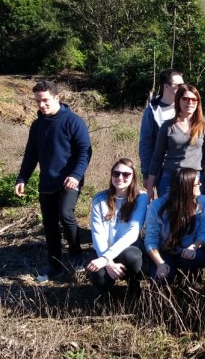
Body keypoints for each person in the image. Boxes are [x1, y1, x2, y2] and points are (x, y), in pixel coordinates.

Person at [15, 80, 92, 283]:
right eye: (38, 101)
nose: (41, 105)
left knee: (66, 215)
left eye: (45, 100)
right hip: (47, 181)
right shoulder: (37, 125)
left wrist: (75, 175)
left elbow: (85, 151)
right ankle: (55, 264)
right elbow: (30, 154)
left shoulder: (73, 121)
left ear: (57, 98)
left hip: (69, 181)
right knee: (49, 224)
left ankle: (76, 257)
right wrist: (22, 177)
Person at [86, 158, 148, 297]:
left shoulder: (141, 197)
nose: (120, 177)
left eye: (126, 174)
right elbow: (98, 235)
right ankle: (105, 295)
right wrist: (108, 261)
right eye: (116, 173)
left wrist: (106, 258)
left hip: (126, 250)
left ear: (133, 177)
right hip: (103, 251)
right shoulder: (99, 200)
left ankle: (134, 285)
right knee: (99, 277)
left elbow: (133, 233)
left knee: (132, 256)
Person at [145, 84, 205, 199]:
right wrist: (150, 186)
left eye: (193, 100)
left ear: (198, 102)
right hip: (170, 177)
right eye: (185, 99)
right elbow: (157, 157)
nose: (189, 103)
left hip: (194, 178)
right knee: (167, 215)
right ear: (178, 101)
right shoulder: (168, 126)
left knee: (193, 215)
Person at [144, 168, 205, 281]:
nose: (200, 184)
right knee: (161, 277)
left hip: (189, 250)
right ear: (186, 187)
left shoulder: (203, 202)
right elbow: (151, 240)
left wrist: (193, 246)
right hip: (165, 253)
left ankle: (190, 286)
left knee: (195, 259)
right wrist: (160, 263)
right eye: (197, 183)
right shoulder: (156, 206)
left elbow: (204, 231)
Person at [139, 68, 183, 187]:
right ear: (166, 87)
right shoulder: (151, 111)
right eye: (178, 85)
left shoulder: (188, 106)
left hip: (186, 168)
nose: (182, 88)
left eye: (183, 84)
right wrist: (146, 174)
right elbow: (146, 143)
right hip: (162, 170)